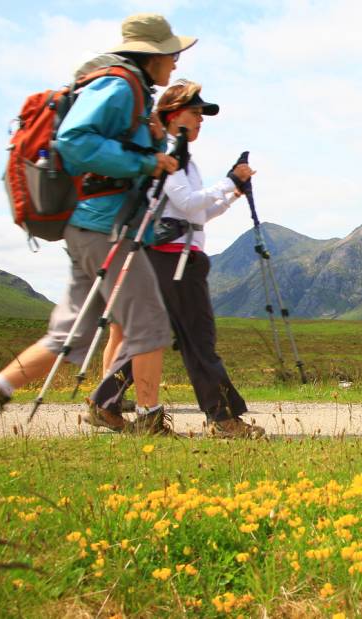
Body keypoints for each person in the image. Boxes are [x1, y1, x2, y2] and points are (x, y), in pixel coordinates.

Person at [0, 13, 194, 435]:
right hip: (107, 229)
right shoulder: (119, 85)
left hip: (92, 226)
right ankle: (151, 422)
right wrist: (148, 161)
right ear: (151, 55)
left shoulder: (124, 88)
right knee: (150, 322)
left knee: (71, 334)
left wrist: (152, 147)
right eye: (172, 54)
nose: (175, 63)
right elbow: (76, 141)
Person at [87, 80, 266, 439]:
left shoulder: (181, 156)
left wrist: (231, 192)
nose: (201, 119)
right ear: (172, 115)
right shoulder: (170, 153)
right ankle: (224, 419)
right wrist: (229, 180)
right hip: (174, 261)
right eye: (195, 112)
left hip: (175, 257)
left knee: (156, 336)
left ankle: (105, 405)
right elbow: (187, 202)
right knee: (198, 340)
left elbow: (197, 212)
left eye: (202, 114)